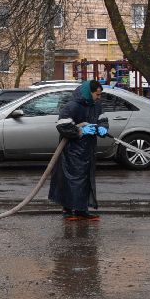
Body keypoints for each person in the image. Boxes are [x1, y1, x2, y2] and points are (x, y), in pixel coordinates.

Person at [50, 80, 107, 221]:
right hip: (72, 150)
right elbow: (62, 126)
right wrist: (81, 131)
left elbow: (102, 119)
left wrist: (103, 128)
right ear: (89, 93)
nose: (99, 97)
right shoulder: (72, 106)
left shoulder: (96, 105)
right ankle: (68, 209)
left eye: (100, 94)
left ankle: (82, 210)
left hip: (88, 149)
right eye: (97, 94)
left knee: (85, 180)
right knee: (72, 180)